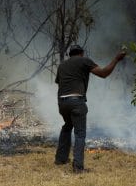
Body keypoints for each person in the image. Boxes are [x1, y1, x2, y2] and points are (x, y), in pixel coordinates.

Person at [54, 45, 126, 173]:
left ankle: (60, 159)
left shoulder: (62, 65)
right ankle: (78, 168)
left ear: (70, 54)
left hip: (62, 102)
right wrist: (116, 59)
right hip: (76, 102)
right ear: (81, 53)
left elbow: (61, 83)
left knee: (67, 126)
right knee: (80, 133)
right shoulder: (84, 60)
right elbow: (103, 73)